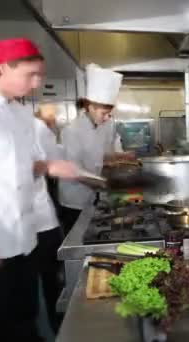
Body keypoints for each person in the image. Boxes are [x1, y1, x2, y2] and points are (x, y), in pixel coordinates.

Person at [0, 37, 78, 342]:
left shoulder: (20, 114)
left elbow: (24, 166)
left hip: (25, 238)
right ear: (3, 68)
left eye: (40, 75)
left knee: (24, 317)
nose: (36, 84)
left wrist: (49, 167)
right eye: (30, 75)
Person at [58, 64, 129, 234]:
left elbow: (112, 150)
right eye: (103, 113)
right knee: (78, 238)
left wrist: (121, 159)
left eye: (109, 113)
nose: (106, 118)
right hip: (75, 201)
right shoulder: (71, 131)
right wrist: (105, 184)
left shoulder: (107, 124)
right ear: (90, 106)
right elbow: (75, 171)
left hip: (99, 197)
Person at [32, 101, 65, 333]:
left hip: (42, 221)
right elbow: (54, 164)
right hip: (29, 224)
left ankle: (53, 327)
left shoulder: (36, 128)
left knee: (48, 278)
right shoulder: (35, 128)